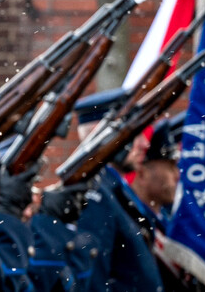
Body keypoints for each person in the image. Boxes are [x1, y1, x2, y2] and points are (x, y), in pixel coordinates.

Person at [73, 88, 163, 292]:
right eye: (135, 133)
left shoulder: (113, 189)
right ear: (105, 135)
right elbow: (94, 281)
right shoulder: (95, 194)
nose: (145, 143)